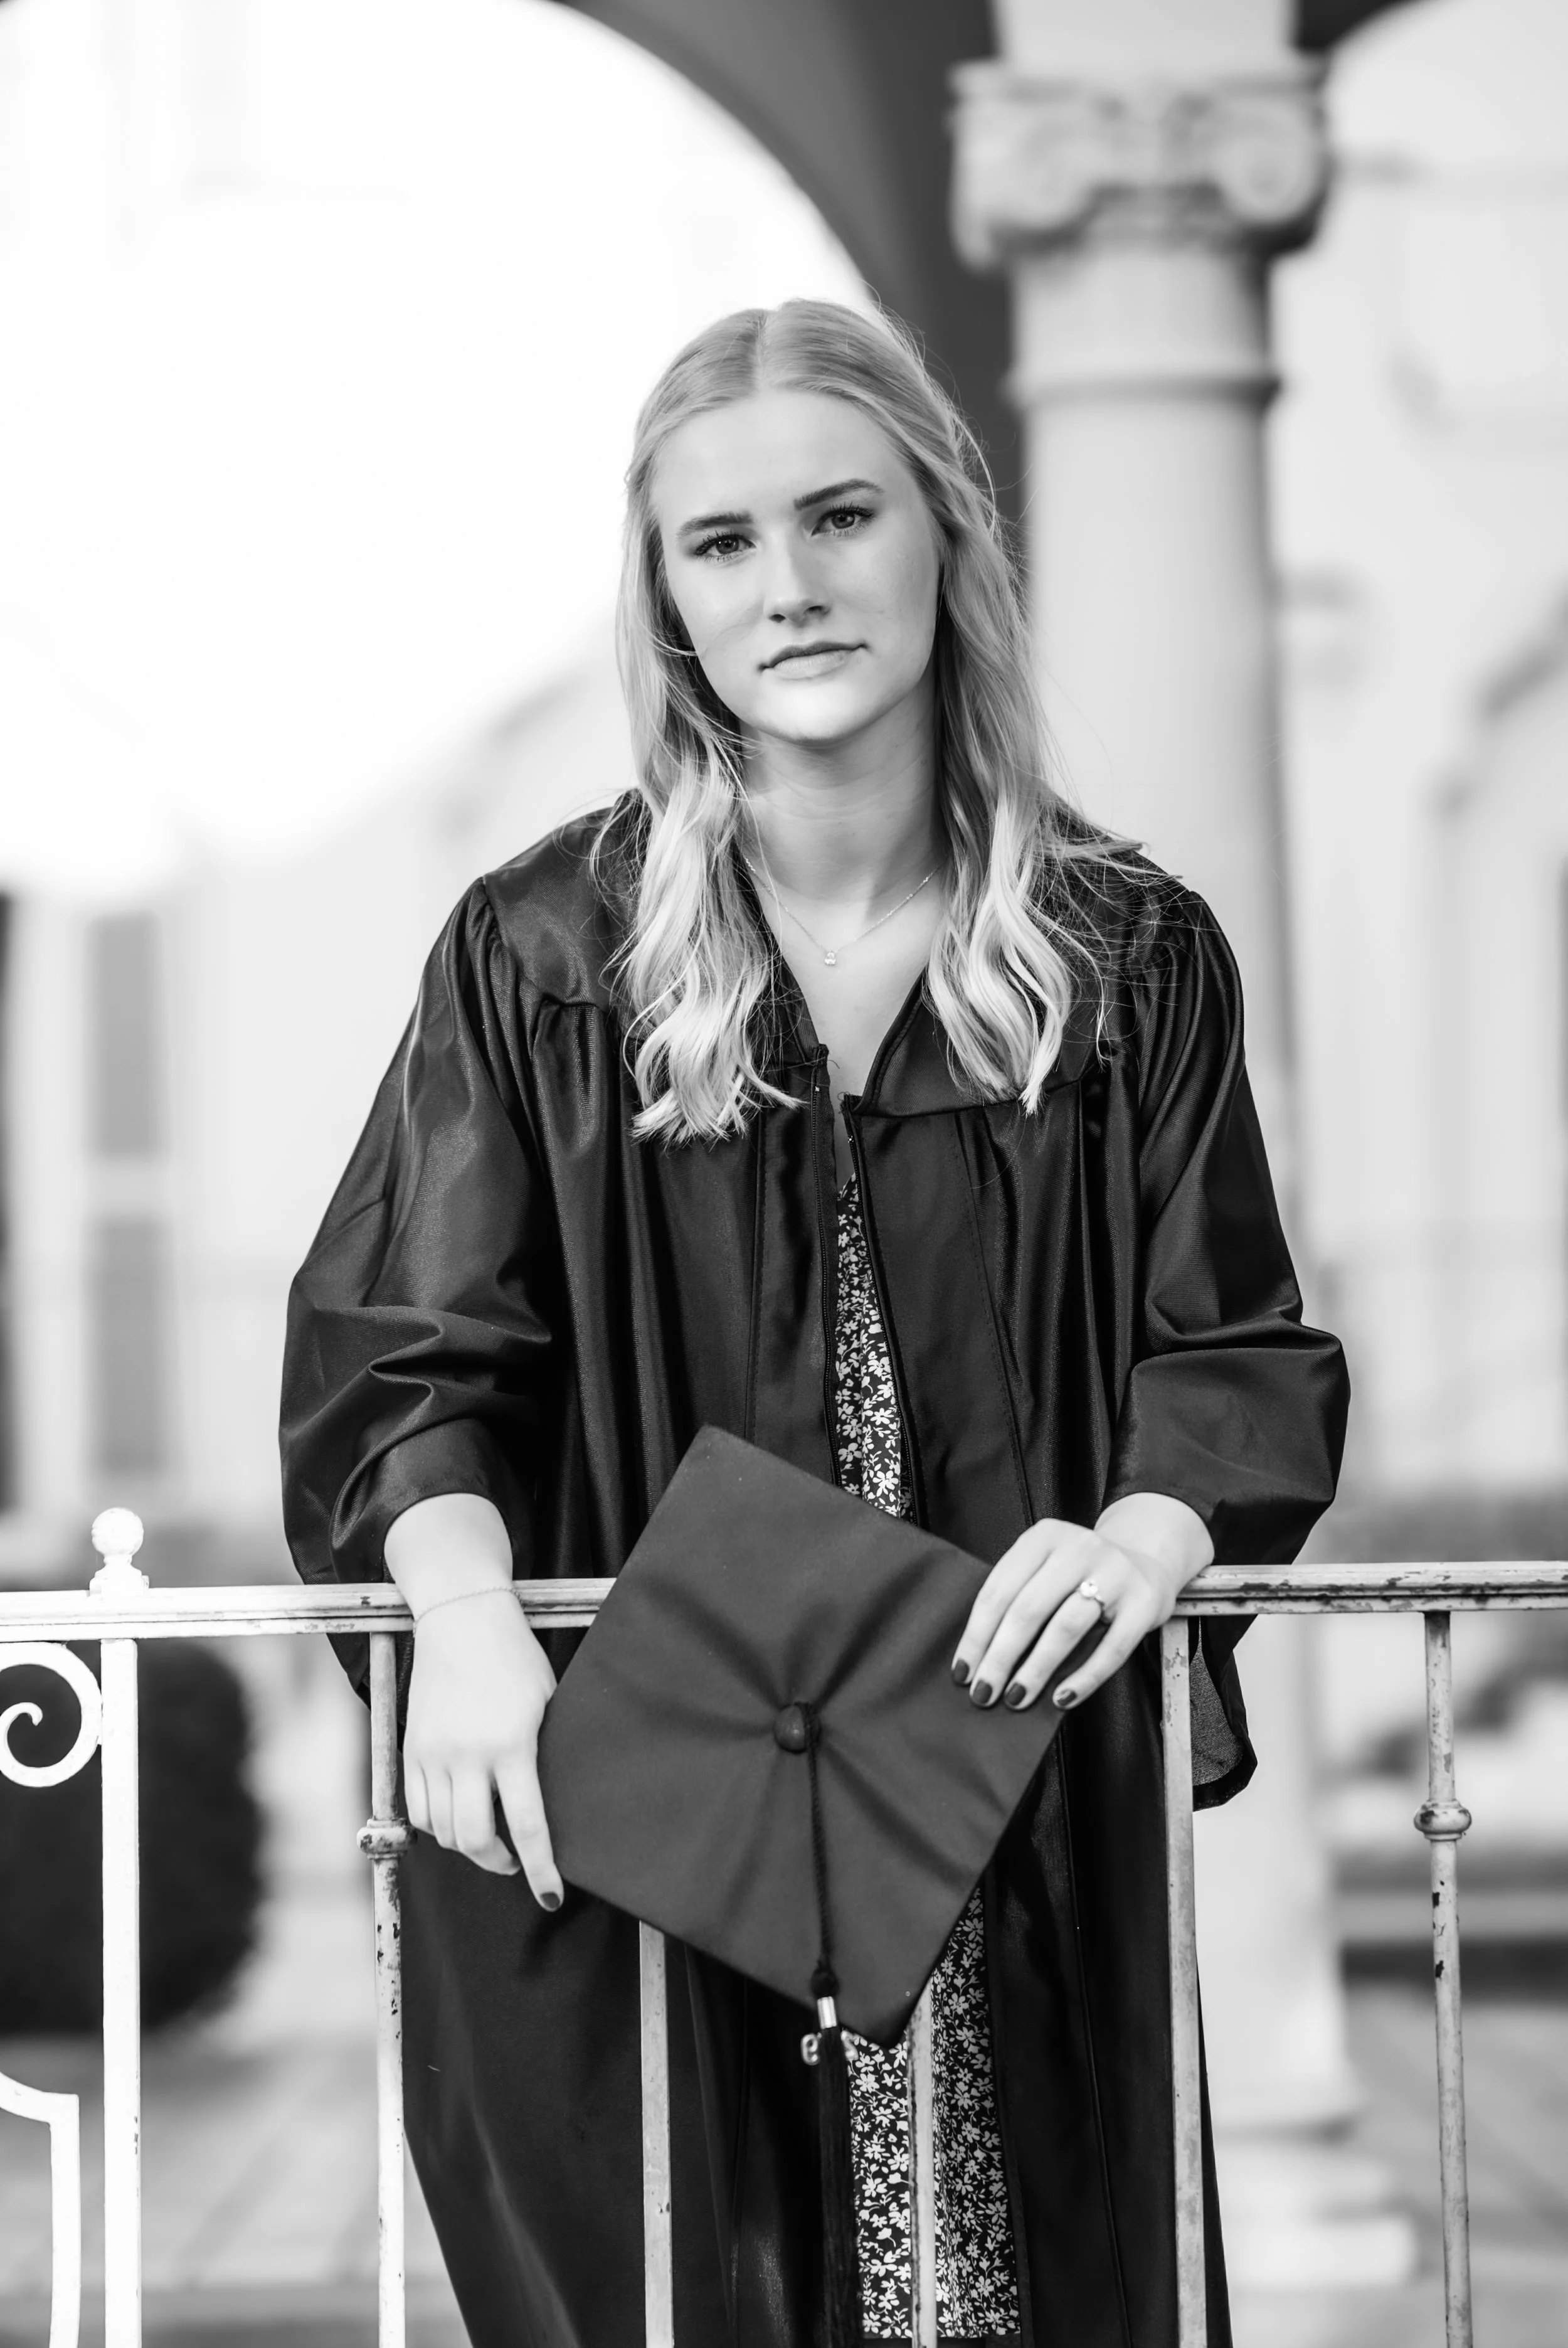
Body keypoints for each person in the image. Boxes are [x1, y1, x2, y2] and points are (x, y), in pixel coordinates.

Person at [280, 299, 1348, 2348]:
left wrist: (1139, 1537)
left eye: (839, 514)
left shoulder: (1116, 957)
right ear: (667, 602)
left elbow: (1225, 1347)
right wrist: (471, 1619)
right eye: (718, 544)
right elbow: (407, 1346)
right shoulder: (549, 950)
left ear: (943, 529)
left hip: (994, 1792)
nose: (787, 587)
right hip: (654, 1808)